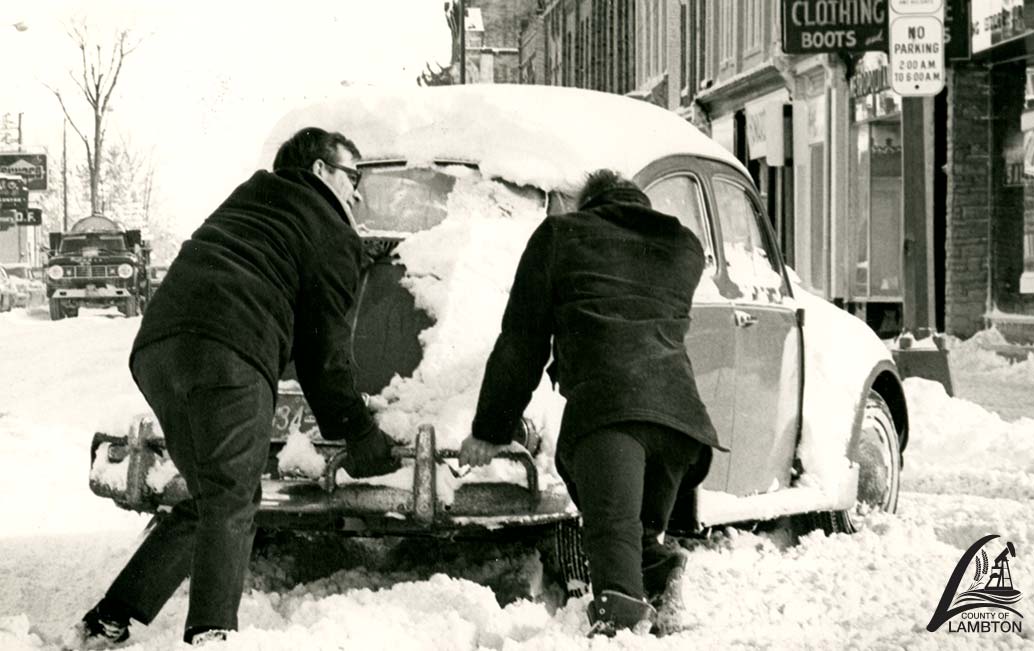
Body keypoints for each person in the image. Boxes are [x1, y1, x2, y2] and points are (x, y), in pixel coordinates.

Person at [69, 127, 402, 648]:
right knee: (233, 498)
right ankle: (212, 634)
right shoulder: (332, 231)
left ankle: (112, 617)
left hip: (157, 349)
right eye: (352, 176)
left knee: (209, 496)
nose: (357, 193)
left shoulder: (249, 198)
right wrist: (358, 430)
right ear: (320, 171)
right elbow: (325, 357)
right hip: (228, 350)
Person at [459, 169, 722, 636]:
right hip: (681, 429)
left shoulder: (561, 236)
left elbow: (521, 344)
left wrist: (491, 428)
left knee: (615, 584)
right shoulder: (681, 246)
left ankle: (625, 626)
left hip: (609, 422)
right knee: (633, 539)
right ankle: (661, 571)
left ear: (586, 205)